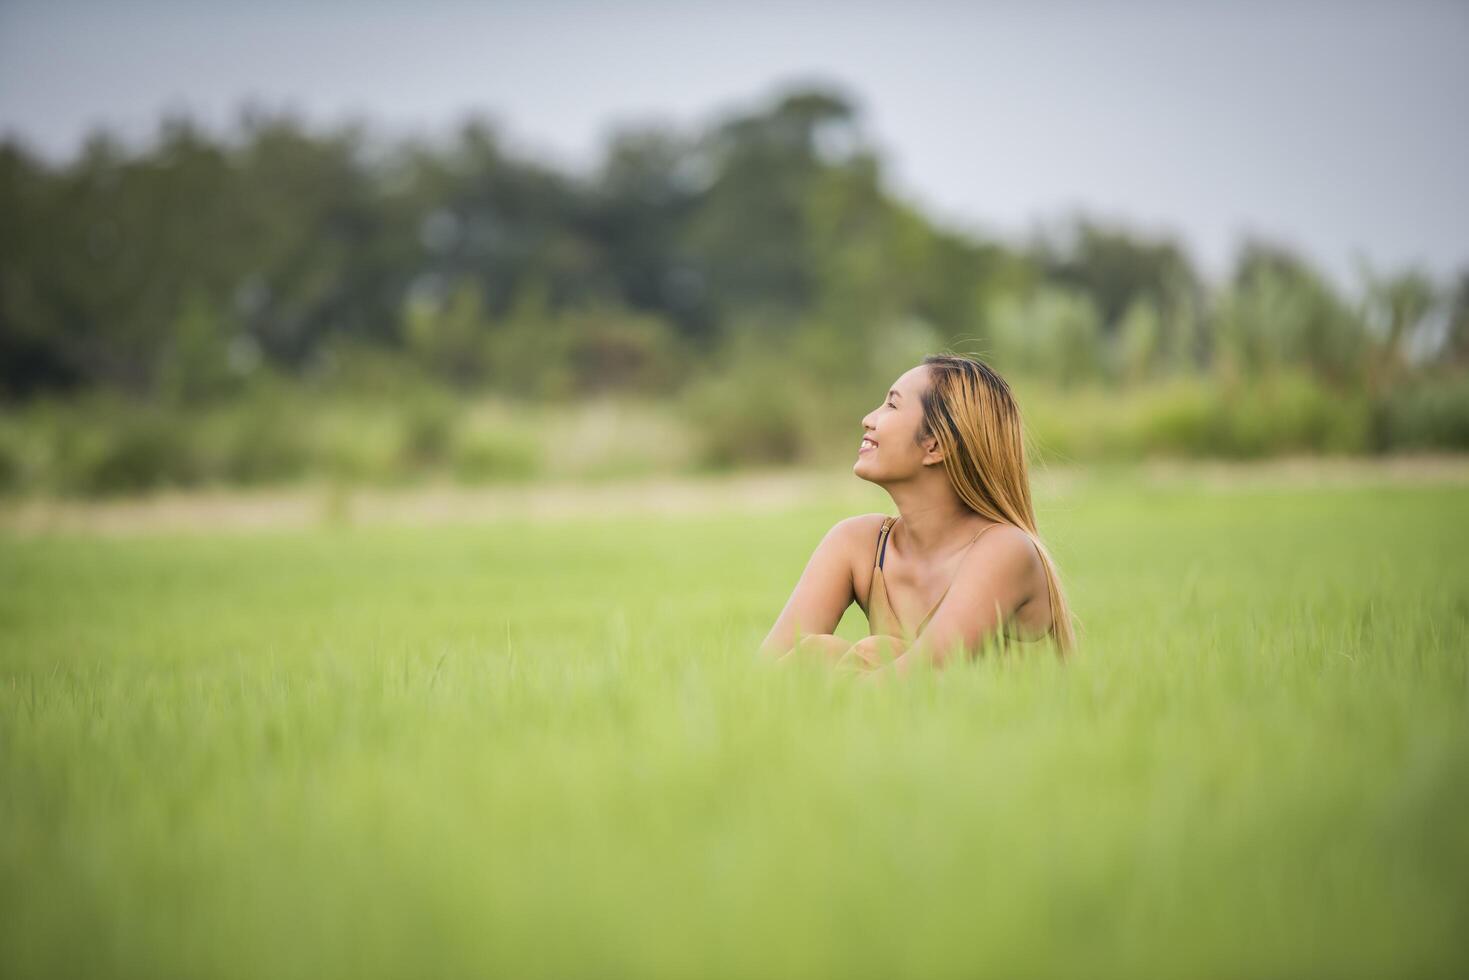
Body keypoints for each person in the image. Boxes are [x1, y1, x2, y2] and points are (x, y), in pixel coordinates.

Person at [756, 353, 1077, 677]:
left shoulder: (1006, 550)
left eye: (892, 406)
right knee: (819, 652)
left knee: (869, 652)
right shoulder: (857, 544)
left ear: (935, 445)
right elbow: (762, 678)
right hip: (903, 720)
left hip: (992, 725)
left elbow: (915, 679)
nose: (868, 418)